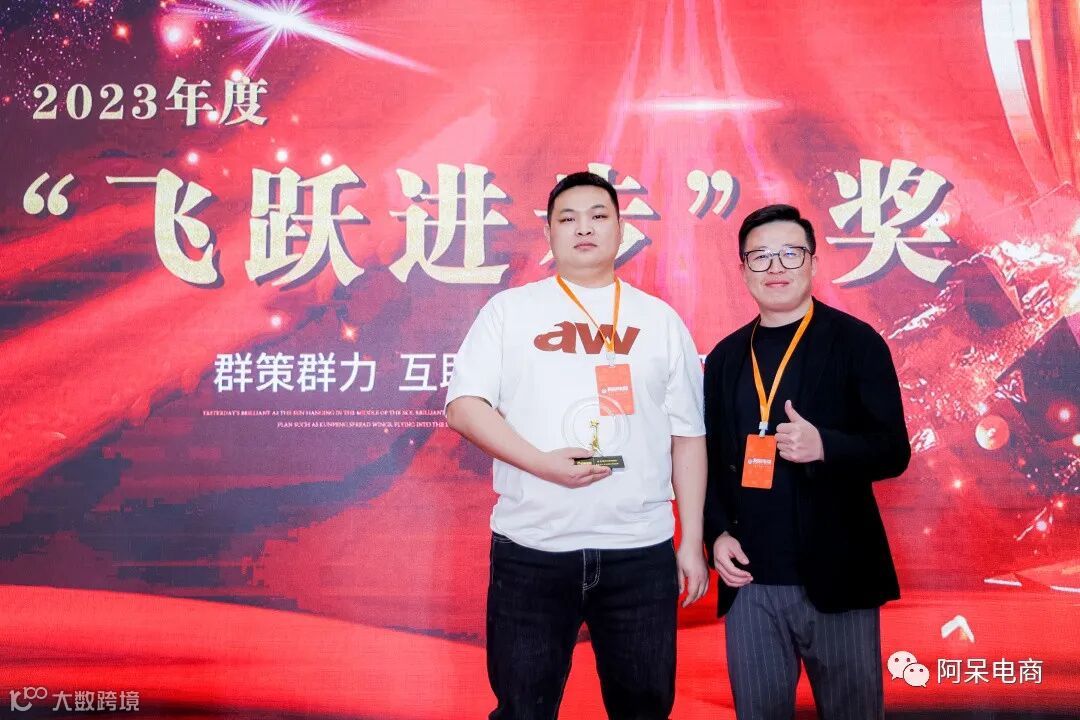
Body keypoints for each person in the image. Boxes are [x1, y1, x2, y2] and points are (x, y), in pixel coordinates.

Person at [445, 171, 709, 720]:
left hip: (639, 551)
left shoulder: (659, 321)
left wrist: (690, 541)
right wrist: (541, 464)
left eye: (598, 216)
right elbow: (464, 406)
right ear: (548, 233)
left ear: (621, 230)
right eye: (568, 218)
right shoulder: (509, 312)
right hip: (532, 549)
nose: (583, 228)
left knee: (645, 709)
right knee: (523, 709)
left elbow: (688, 435)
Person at [702, 204, 910, 720]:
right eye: (760, 256)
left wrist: (826, 446)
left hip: (838, 576)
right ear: (743, 269)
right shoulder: (725, 357)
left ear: (813, 262)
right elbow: (709, 458)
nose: (775, 267)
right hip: (750, 582)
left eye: (790, 254)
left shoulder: (856, 342)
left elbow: (893, 449)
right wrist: (716, 533)